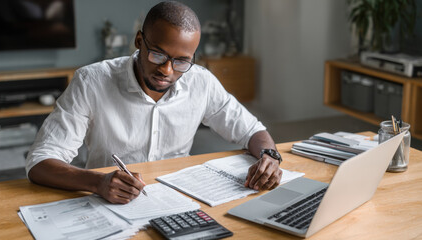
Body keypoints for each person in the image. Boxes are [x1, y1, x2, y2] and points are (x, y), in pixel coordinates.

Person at [26, 1, 283, 204]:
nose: (168, 70)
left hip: (178, 199)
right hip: (108, 203)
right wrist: (98, 182)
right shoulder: (91, 81)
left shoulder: (201, 82)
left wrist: (269, 156)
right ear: (139, 42)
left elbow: (252, 130)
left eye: (182, 61)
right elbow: (40, 163)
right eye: (158, 54)